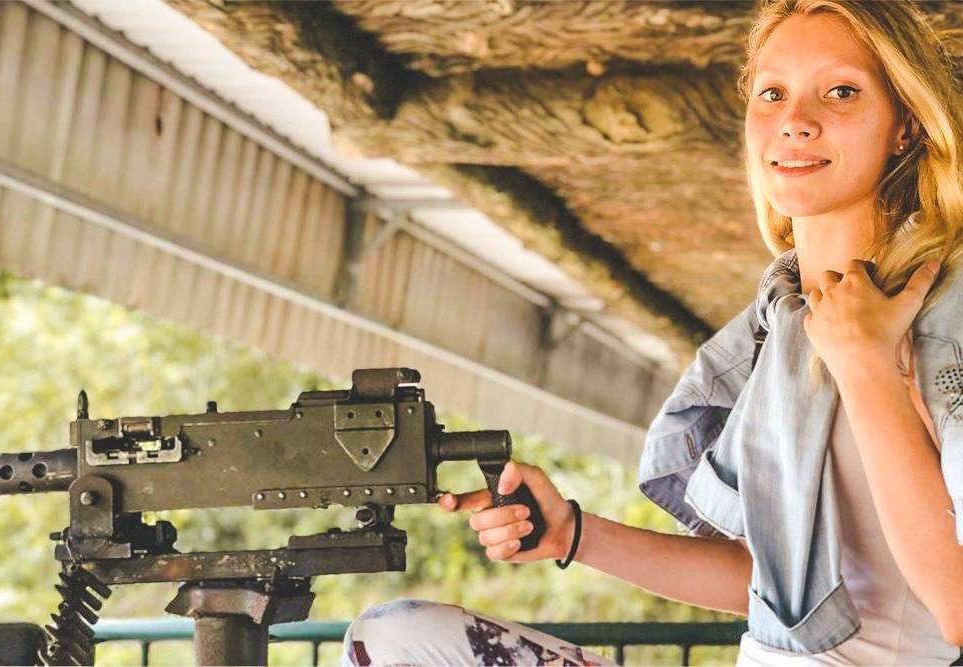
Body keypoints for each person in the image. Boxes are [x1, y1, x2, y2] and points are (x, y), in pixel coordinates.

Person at [341, 1, 963, 664]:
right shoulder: (774, 330)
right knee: (393, 635)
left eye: (841, 92)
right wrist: (572, 533)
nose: (795, 122)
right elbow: (773, 582)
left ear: (905, 125)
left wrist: (865, 365)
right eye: (771, 93)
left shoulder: (937, 318)